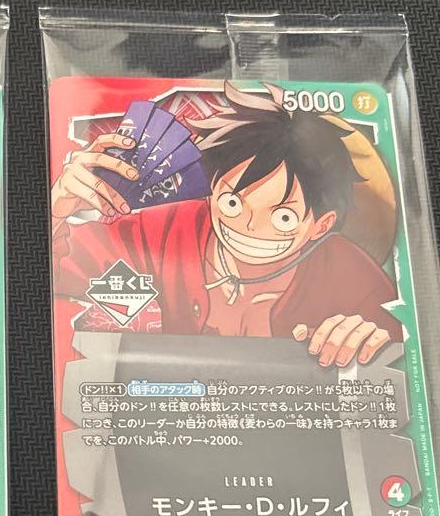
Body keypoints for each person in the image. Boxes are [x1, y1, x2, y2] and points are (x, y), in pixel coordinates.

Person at [51, 81, 401, 368]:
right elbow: (59, 272)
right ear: (211, 190)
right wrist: (55, 210)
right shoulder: (163, 231)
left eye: (283, 217)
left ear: (321, 226)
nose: (248, 225)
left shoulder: (351, 277)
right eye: (232, 203)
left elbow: (399, 347)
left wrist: (369, 339)